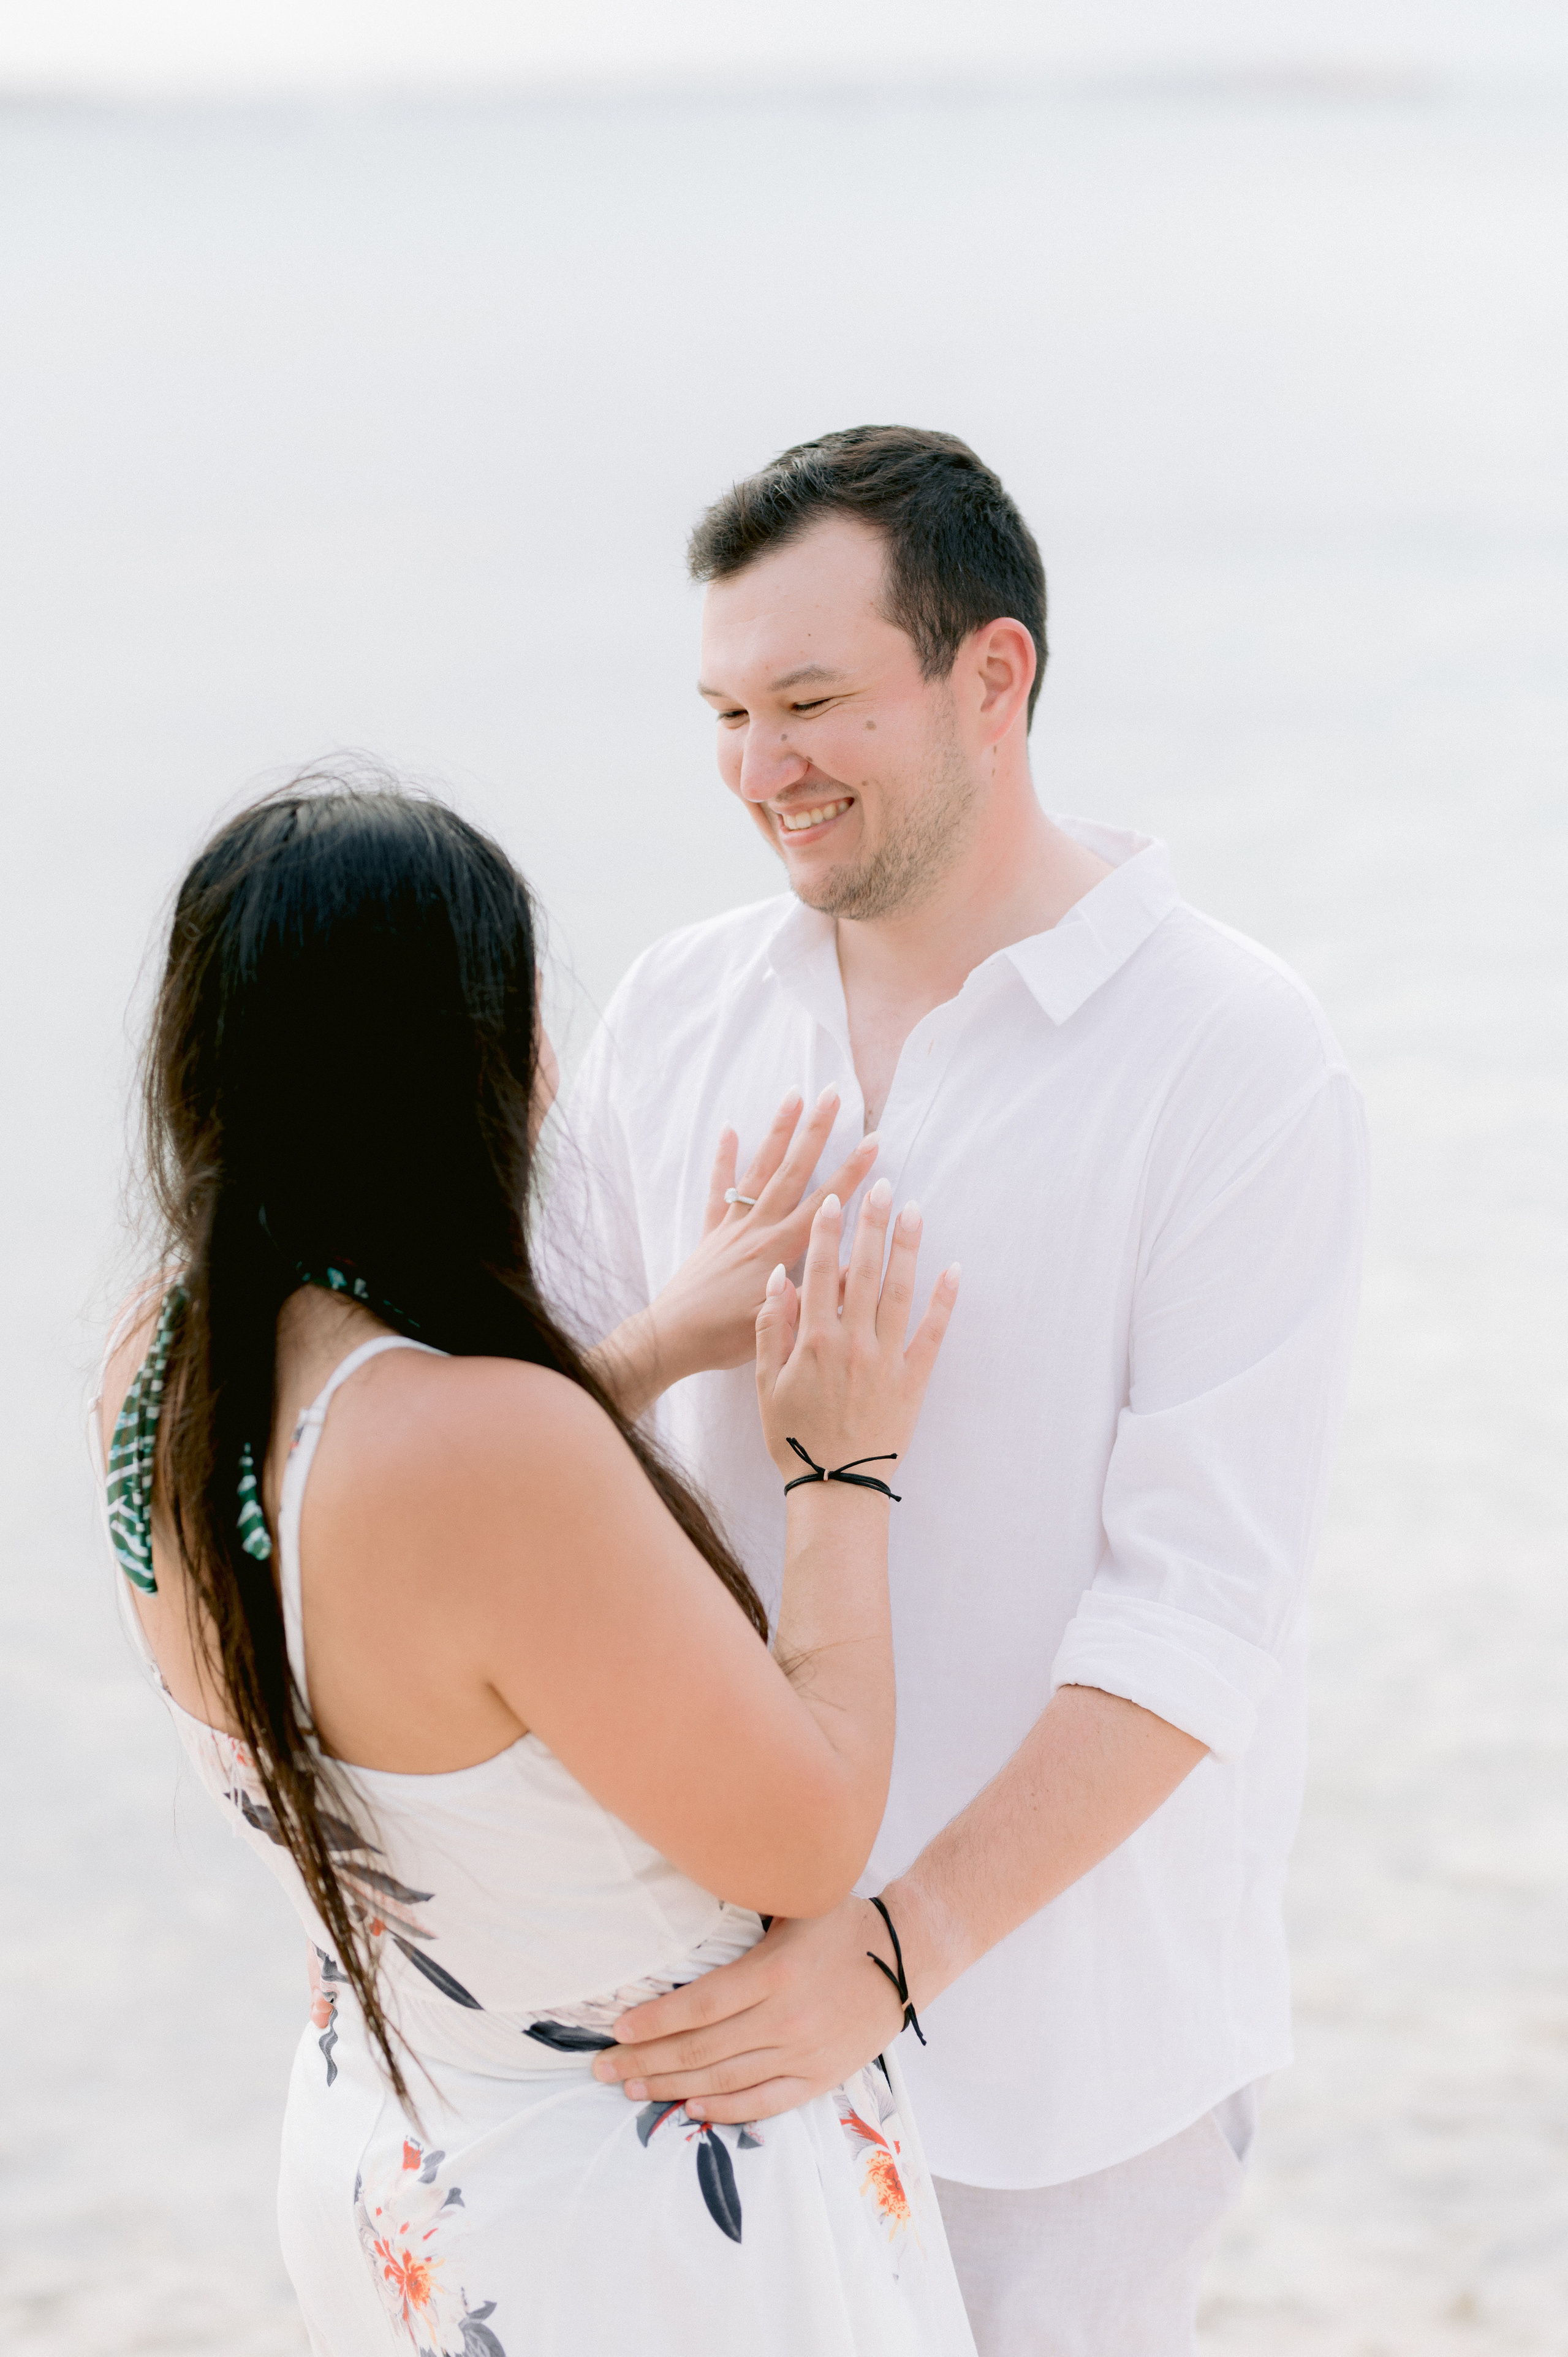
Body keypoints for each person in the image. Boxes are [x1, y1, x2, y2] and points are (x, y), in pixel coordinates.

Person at [543, 426, 1371, 2356]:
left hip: (1064, 2055)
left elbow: (1199, 1613)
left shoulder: (1232, 1054)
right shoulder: (677, 1008)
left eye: (815, 700)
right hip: (698, 2016)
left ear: (993, 677)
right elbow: (519, 1447)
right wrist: (673, 1331)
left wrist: (890, 1957)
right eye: (730, 711)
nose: (762, 769)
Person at [94, 781, 980, 2356]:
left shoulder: (164, 1359)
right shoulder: (486, 1450)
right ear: (470, 1069)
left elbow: (401, 1580)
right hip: (627, 2222)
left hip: (404, 2151)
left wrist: (635, 1352)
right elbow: (809, 1836)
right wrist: (839, 1467)